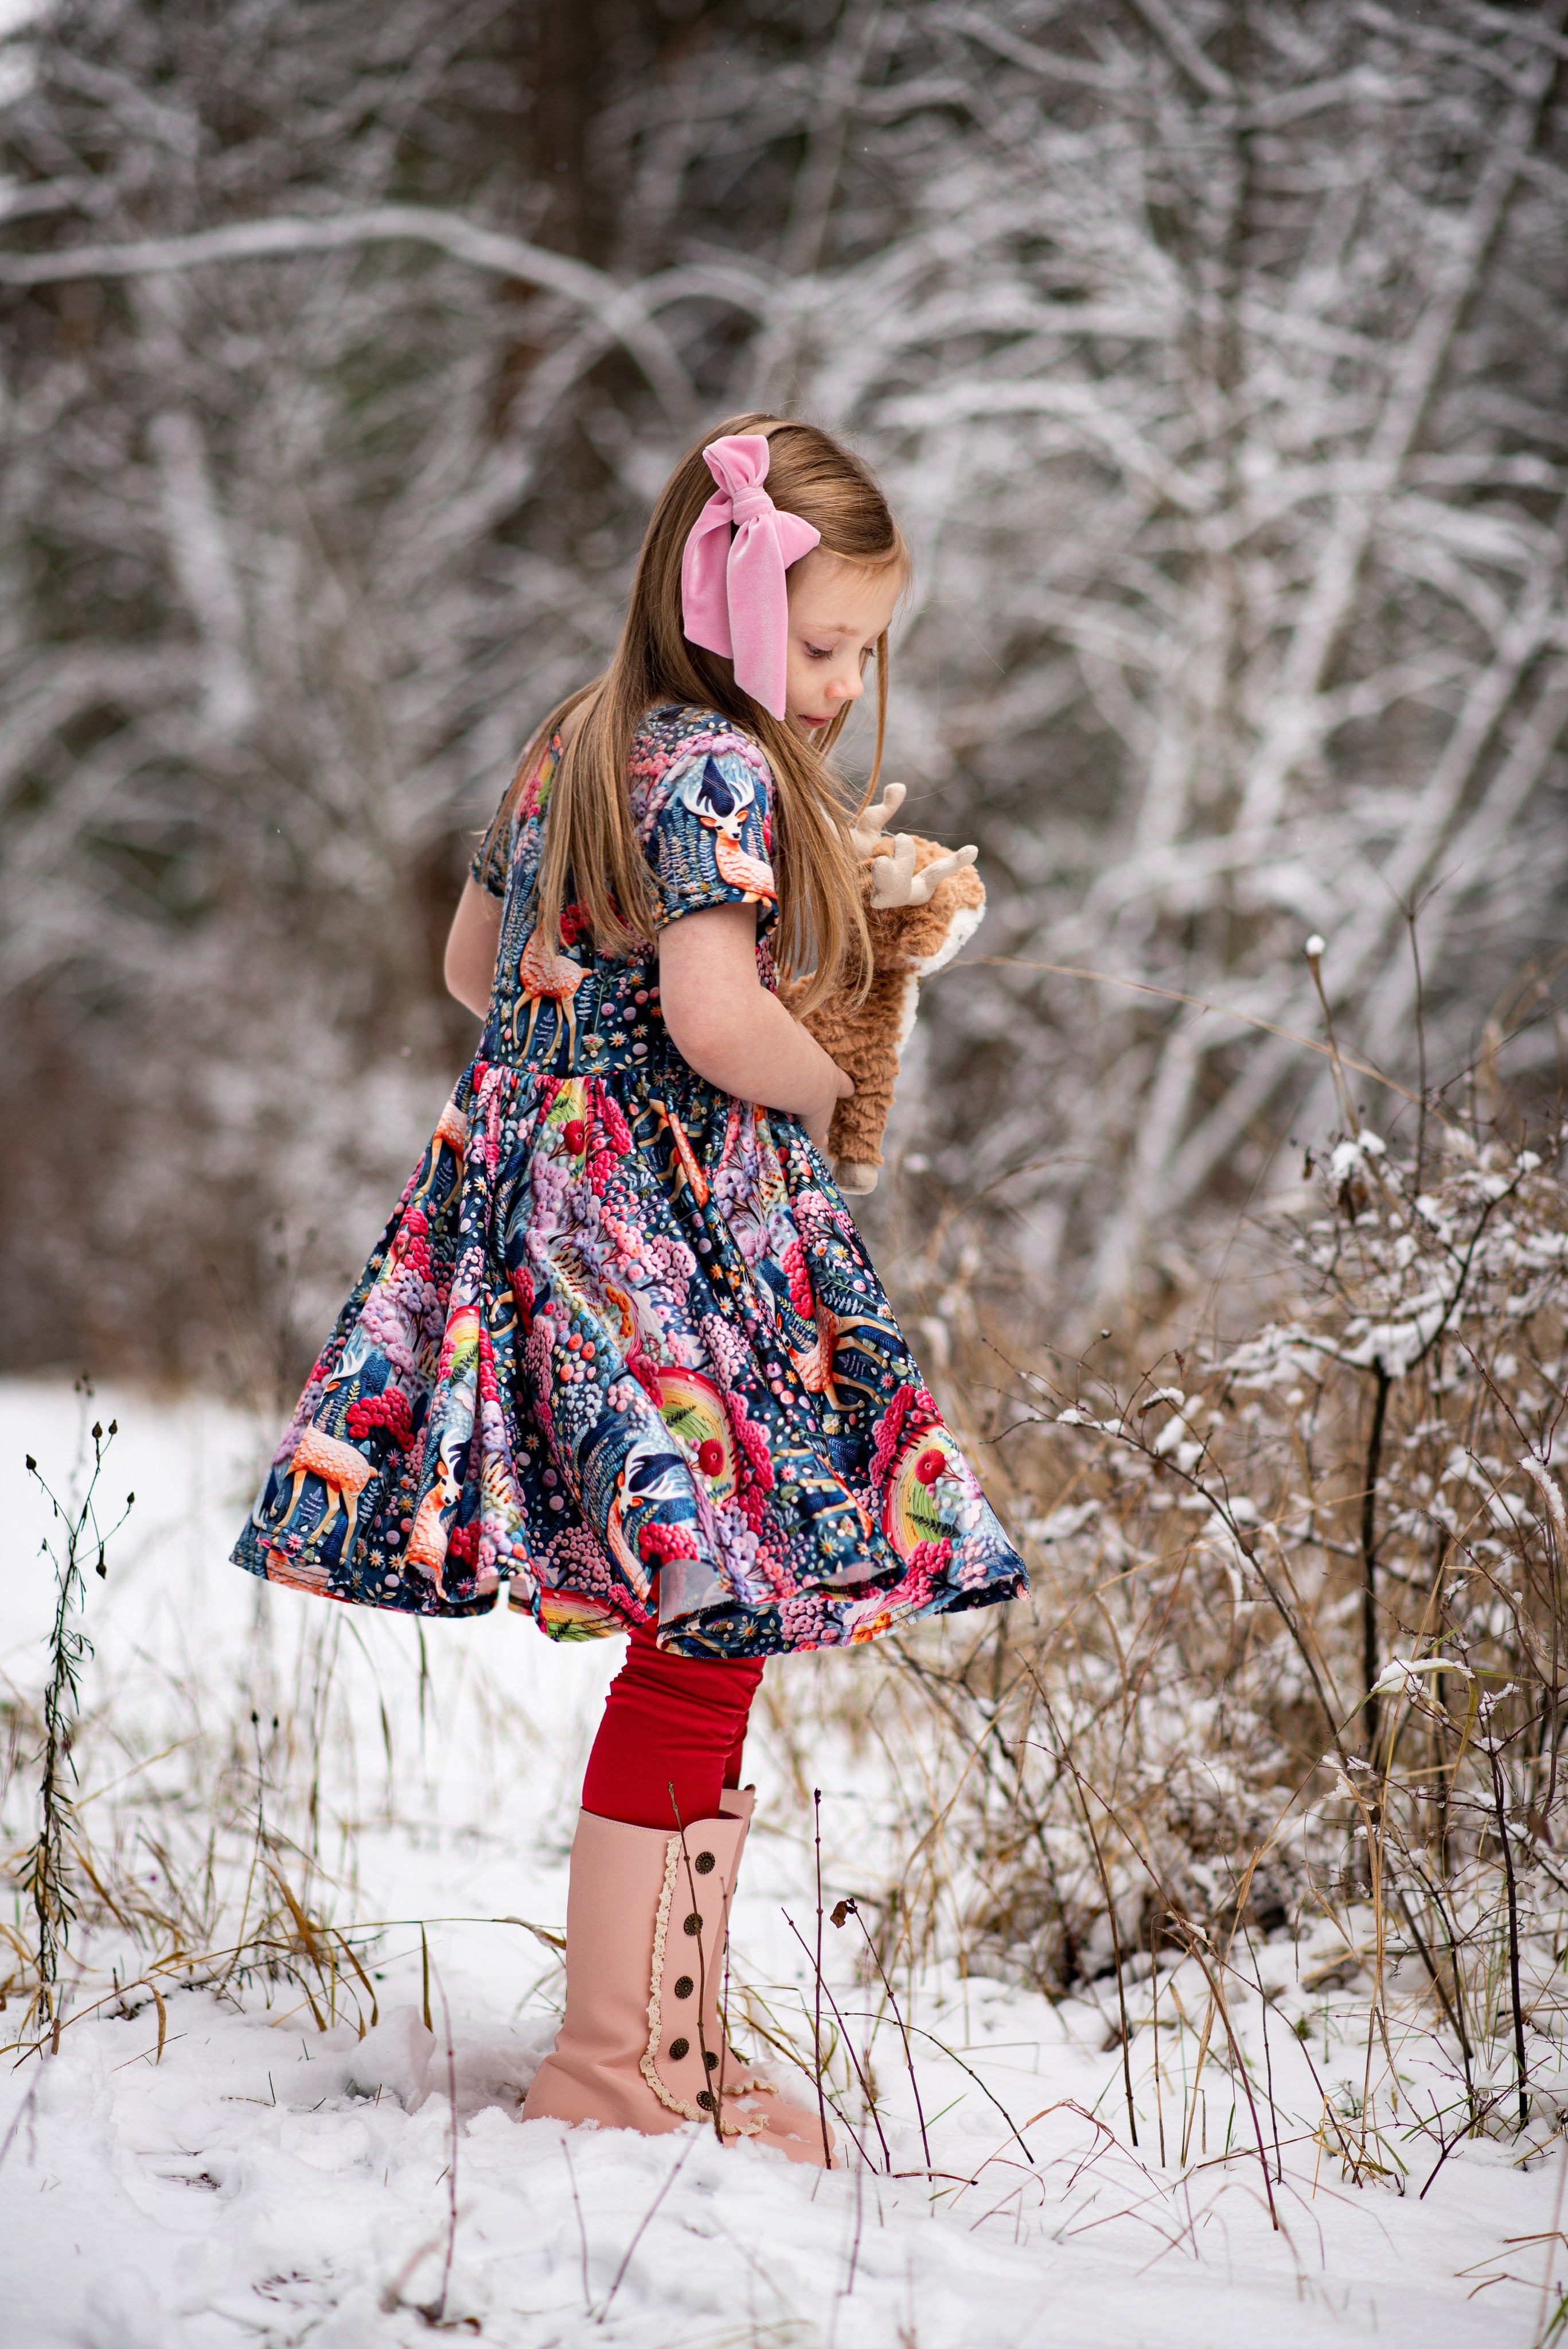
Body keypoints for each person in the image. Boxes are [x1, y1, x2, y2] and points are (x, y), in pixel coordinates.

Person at [232, 415, 1027, 2164]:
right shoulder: (722, 776)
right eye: (824, 647)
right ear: (730, 602)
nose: (842, 686)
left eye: (866, 652)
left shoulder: (571, 741)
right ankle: (621, 2062)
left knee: (701, 1624)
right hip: (666, 1234)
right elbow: (714, 1017)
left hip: (535, 1210)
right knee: (713, 1619)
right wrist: (831, 1080)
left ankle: (644, 2045)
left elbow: (466, 962)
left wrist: (562, 1065)